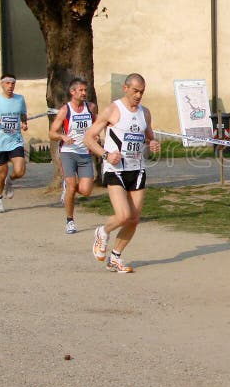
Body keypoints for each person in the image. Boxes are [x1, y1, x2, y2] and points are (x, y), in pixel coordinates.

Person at [83, 73, 160, 274]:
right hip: (115, 169)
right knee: (123, 215)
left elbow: (148, 136)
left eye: (142, 92)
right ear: (125, 88)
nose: (138, 95)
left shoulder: (145, 113)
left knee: (134, 219)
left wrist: (152, 143)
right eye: (135, 91)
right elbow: (89, 138)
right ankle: (102, 231)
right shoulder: (112, 110)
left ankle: (115, 257)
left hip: (137, 169)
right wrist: (106, 154)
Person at [49, 78, 98, 234]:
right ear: (72, 92)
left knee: (86, 191)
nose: (84, 93)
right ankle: (70, 221)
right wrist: (62, 137)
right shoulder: (65, 110)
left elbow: (97, 125)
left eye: (85, 90)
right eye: (81, 90)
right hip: (68, 152)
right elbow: (51, 133)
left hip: (85, 153)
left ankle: (68, 188)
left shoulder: (91, 107)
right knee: (71, 186)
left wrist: (96, 136)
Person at [0, 74, 28, 213]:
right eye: (7, 83)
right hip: (0, 142)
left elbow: (23, 114)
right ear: (1, 84)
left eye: (12, 83)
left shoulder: (20, 99)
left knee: (19, 171)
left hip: (15, 140)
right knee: (1, 173)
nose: (10, 86)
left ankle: (11, 180)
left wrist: (24, 123)